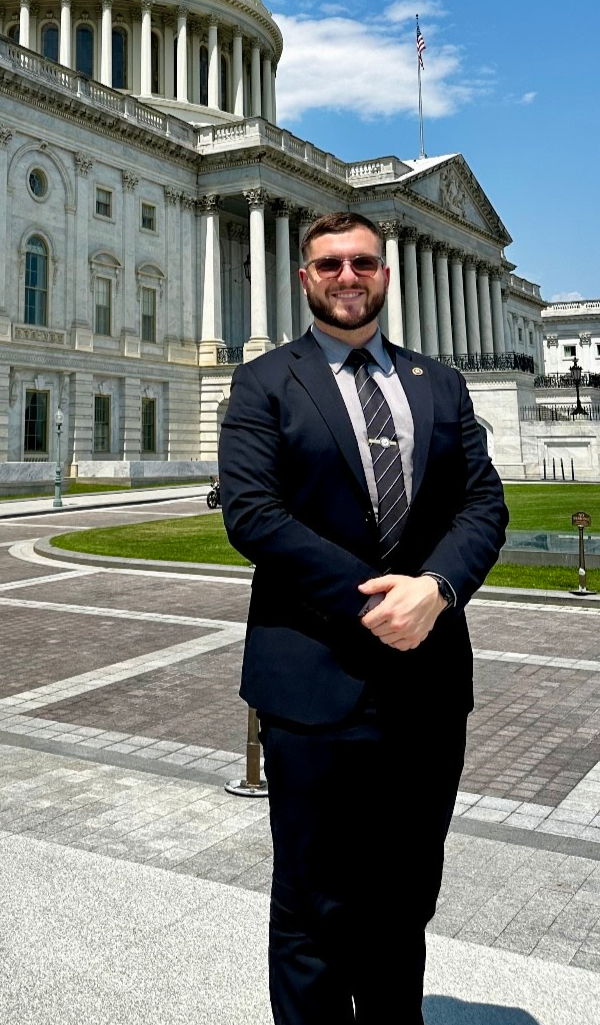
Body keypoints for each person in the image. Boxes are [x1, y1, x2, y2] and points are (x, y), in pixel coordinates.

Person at [219, 210, 507, 1025]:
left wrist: (437, 589)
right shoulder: (264, 382)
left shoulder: (439, 384)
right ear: (303, 277)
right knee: (313, 906)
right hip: (312, 677)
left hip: (426, 680)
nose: (348, 277)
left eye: (363, 263)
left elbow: (482, 505)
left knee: (405, 894)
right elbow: (252, 515)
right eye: (329, 264)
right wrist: (382, 597)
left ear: (386, 274)